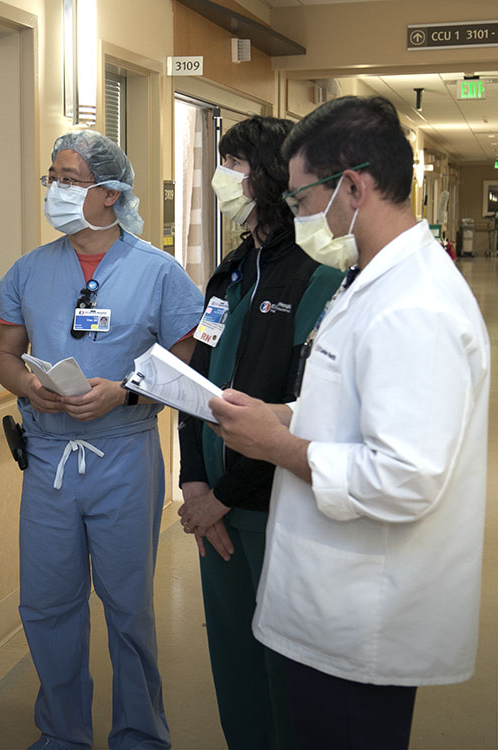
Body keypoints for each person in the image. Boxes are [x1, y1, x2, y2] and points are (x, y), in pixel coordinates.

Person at [210, 96, 490, 749]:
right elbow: (354, 406)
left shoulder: (413, 306)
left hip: (365, 620)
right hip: (332, 607)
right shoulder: (371, 282)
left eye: (306, 200)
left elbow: (404, 476)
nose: (301, 215)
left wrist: (278, 445)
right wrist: (284, 413)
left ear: (354, 187)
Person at [0, 130, 203, 750]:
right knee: (49, 606)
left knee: (128, 609)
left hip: (125, 457)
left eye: (69, 178)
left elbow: (181, 369)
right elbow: (5, 356)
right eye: (51, 177)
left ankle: (139, 735)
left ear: (109, 194)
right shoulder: (30, 271)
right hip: (49, 461)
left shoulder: (157, 273)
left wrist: (124, 392)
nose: (55, 189)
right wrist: (30, 390)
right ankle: (62, 735)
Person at [176, 116, 345, 749]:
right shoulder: (231, 271)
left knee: (287, 678)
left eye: (237, 165)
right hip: (212, 506)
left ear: (273, 175)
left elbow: (303, 407)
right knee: (235, 671)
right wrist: (194, 484)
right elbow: (197, 383)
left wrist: (225, 496)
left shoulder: (316, 274)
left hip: (275, 506)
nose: (224, 179)